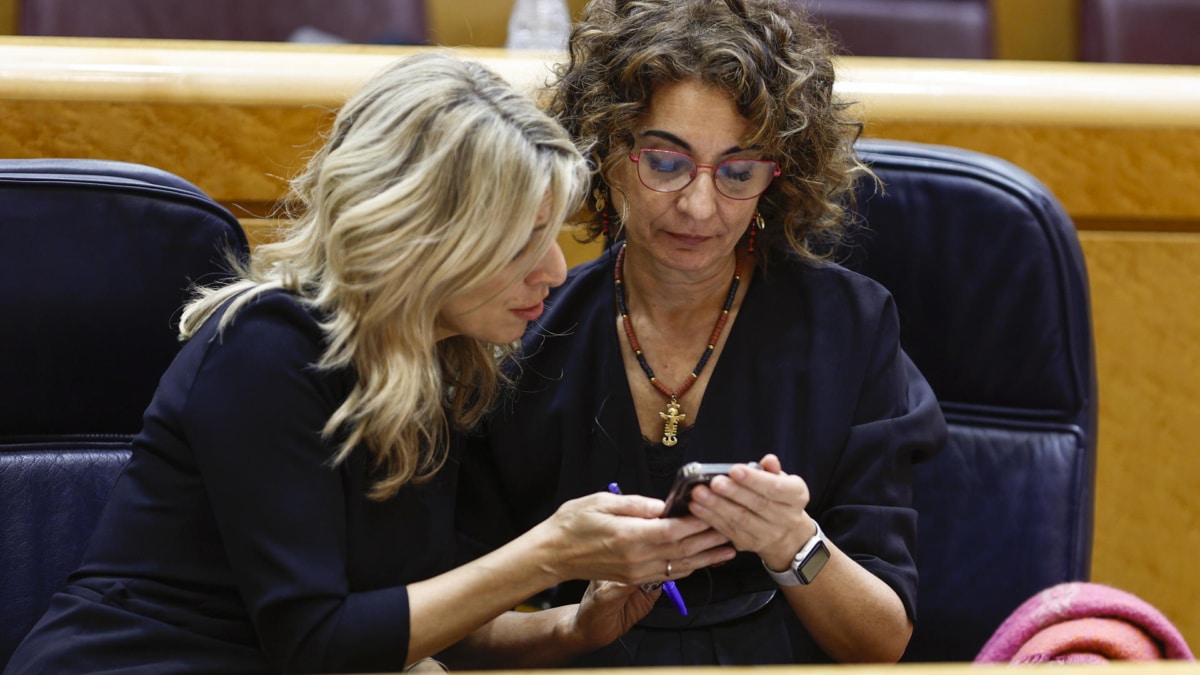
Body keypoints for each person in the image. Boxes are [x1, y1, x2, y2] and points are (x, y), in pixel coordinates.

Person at [3, 52, 736, 675]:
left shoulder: (440, 365)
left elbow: (407, 619)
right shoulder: (266, 348)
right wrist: (548, 555)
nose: (552, 270)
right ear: (423, 237)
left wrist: (573, 627)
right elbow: (318, 642)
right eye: (521, 240)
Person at [456, 0, 949, 666]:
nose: (699, 205)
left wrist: (793, 543)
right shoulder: (527, 333)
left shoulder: (849, 327)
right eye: (665, 163)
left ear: (778, 178)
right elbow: (447, 625)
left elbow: (881, 640)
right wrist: (574, 617)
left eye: (739, 172)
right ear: (605, 152)